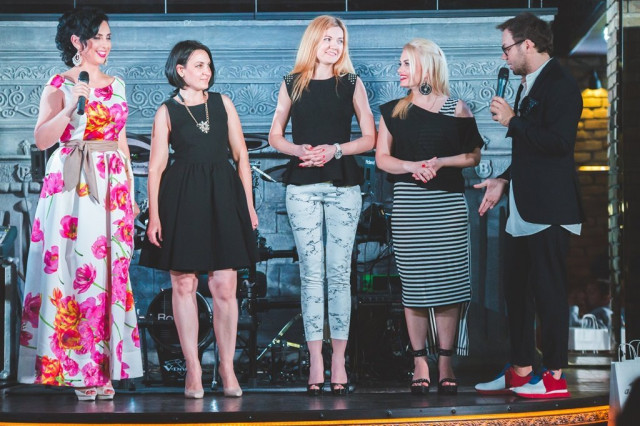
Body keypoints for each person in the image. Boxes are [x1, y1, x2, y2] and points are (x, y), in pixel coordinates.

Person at [17, 7, 142, 401]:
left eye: (108, 37)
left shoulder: (118, 84)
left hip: (112, 183)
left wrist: (131, 193)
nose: (105, 44)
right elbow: (42, 139)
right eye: (98, 37)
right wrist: (72, 107)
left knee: (110, 271)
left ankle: (105, 368)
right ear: (77, 41)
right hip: (72, 182)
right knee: (75, 270)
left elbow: (121, 142)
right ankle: (78, 370)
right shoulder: (59, 84)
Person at [139, 40, 258, 399]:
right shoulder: (167, 111)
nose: (207, 71)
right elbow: (156, 167)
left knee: (225, 285)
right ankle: (193, 368)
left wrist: (248, 206)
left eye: (208, 65)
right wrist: (154, 215)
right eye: (199, 65)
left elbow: (241, 157)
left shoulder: (223, 103)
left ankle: (226, 367)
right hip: (182, 197)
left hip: (222, 195)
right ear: (180, 70)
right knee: (184, 284)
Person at [474, 12, 584, 399]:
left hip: (551, 208)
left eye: (507, 48)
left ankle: (553, 376)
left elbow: (559, 144)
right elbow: (530, 153)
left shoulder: (561, 84)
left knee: (548, 292)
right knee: (516, 290)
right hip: (523, 208)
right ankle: (521, 369)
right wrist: (503, 179)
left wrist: (513, 121)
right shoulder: (528, 84)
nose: (504, 56)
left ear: (528, 44)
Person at [268, 15, 375, 396]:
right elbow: (275, 135)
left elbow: (370, 137)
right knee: (312, 274)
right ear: (313, 41)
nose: (334, 46)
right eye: (328, 39)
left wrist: (335, 150)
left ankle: (339, 360)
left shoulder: (352, 83)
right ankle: (315, 359)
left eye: (339, 40)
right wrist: (298, 150)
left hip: (344, 185)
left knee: (339, 274)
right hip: (302, 187)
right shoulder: (292, 83)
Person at [375, 38, 483, 396]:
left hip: (448, 206)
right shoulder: (393, 111)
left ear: (426, 65)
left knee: (449, 286)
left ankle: (446, 363)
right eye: (400, 64)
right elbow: (382, 158)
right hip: (410, 206)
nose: (399, 70)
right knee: (416, 286)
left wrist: (440, 163)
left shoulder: (457, 108)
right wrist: (412, 167)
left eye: (406, 63)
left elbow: (473, 156)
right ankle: (420, 360)